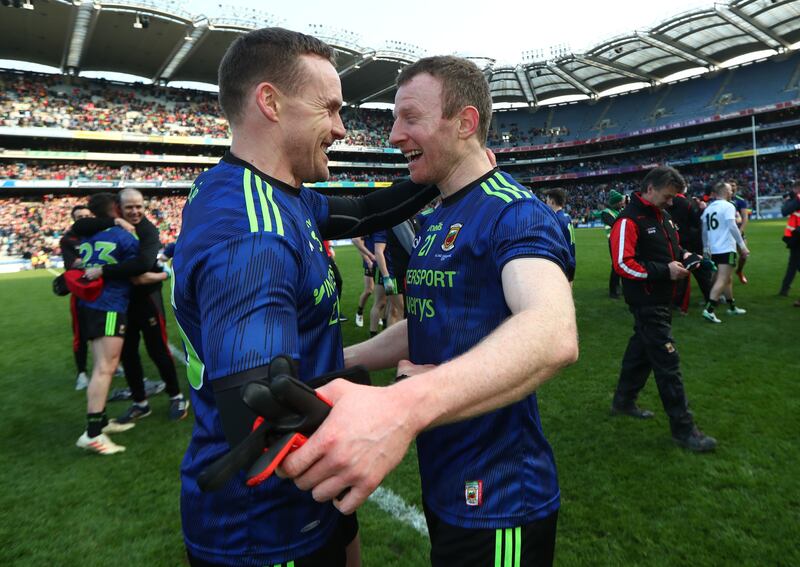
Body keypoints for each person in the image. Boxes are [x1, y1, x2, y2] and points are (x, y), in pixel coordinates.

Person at [281, 55, 578, 567]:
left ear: (465, 122)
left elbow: (553, 333)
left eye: (410, 118)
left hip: (501, 498)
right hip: (447, 480)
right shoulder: (439, 215)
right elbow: (429, 322)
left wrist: (402, 406)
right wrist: (330, 366)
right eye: (395, 118)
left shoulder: (514, 211)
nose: (395, 135)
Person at [170, 27, 437, 567]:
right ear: (270, 102)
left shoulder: (270, 192)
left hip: (312, 493)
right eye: (329, 108)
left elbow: (363, 212)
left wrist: (443, 166)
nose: (340, 127)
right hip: (265, 527)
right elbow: (261, 420)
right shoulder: (253, 235)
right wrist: (401, 400)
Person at [609, 166, 716, 452]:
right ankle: (684, 430)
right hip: (646, 302)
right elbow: (622, 264)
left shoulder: (663, 216)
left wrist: (687, 256)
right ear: (650, 189)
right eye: (668, 196)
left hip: (662, 298)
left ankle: (623, 401)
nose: (671, 202)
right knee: (668, 364)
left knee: (640, 352)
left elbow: (672, 251)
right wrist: (664, 271)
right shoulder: (628, 220)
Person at [79, 188, 189, 421]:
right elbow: (79, 227)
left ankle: (176, 396)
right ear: (118, 208)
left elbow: (143, 264)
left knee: (157, 349)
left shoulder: (147, 229)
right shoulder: (112, 226)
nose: (135, 211)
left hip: (146, 299)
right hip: (121, 302)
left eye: (139, 206)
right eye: (129, 207)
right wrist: (114, 221)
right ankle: (140, 402)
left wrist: (104, 270)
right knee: (128, 354)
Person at [74, 193, 139, 455]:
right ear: (115, 208)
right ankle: (92, 434)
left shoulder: (89, 235)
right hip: (110, 305)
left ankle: (100, 421)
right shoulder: (121, 235)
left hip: (89, 305)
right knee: (105, 368)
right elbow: (139, 266)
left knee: (100, 366)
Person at [701, 182, 749, 323]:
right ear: (726, 192)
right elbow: (732, 226)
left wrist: (705, 249)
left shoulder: (708, 208)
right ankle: (709, 310)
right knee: (722, 279)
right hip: (726, 248)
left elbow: (704, 231)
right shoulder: (728, 206)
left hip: (714, 249)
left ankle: (732, 307)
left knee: (727, 279)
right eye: (730, 190)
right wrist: (742, 246)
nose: (732, 192)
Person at [60, 204, 94, 390]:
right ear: (74, 220)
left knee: (107, 330)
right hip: (81, 294)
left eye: (87, 216)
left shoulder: (99, 234)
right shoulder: (68, 239)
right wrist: (97, 259)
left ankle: (113, 364)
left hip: (103, 292)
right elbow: (72, 264)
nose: (84, 219)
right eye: (80, 217)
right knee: (80, 335)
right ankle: (82, 373)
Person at [667, 190, 713, 312]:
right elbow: (696, 222)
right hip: (692, 242)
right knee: (701, 273)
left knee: (680, 274)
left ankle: (677, 302)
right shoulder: (688, 203)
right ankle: (711, 299)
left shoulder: (666, 201)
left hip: (676, 242)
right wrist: (701, 210)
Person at [372, 229, 404, 327]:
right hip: (391, 276)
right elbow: (378, 252)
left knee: (393, 308)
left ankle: (385, 331)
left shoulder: (395, 228)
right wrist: (386, 277)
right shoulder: (383, 229)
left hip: (397, 274)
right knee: (399, 309)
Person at [544, 187, 576, 282]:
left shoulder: (555, 220)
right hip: (571, 259)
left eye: (547, 200)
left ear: (552, 202)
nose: (546, 203)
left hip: (562, 261)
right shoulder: (567, 216)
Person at [779, 181, 800, 302]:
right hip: (796, 236)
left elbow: (785, 211)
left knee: (795, 263)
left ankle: (784, 289)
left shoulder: (798, 198)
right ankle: (784, 289)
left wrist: (789, 199)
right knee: (793, 263)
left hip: (797, 236)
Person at [601, 190, 624, 297]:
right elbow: (614, 224)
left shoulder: (620, 210)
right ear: (616, 202)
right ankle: (613, 291)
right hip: (614, 241)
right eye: (620, 201)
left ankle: (620, 286)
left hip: (622, 240)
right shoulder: (606, 212)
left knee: (624, 263)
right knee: (616, 265)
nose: (622, 203)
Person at [350, 235, 375, 327]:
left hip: (383, 261)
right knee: (369, 290)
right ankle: (359, 313)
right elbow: (356, 241)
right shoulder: (365, 229)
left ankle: (379, 315)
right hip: (371, 262)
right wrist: (368, 261)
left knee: (384, 293)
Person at [730, 181, 750, 284]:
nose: (732, 187)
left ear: (736, 187)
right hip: (726, 234)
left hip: (738, 231)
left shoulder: (740, 201)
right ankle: (725, 278)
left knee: (744, 255)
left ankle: (739, 271)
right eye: (730, 185)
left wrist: (740, 231)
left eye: (733, 185)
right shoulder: (721, 201)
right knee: (729, 258)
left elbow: (745, 217)